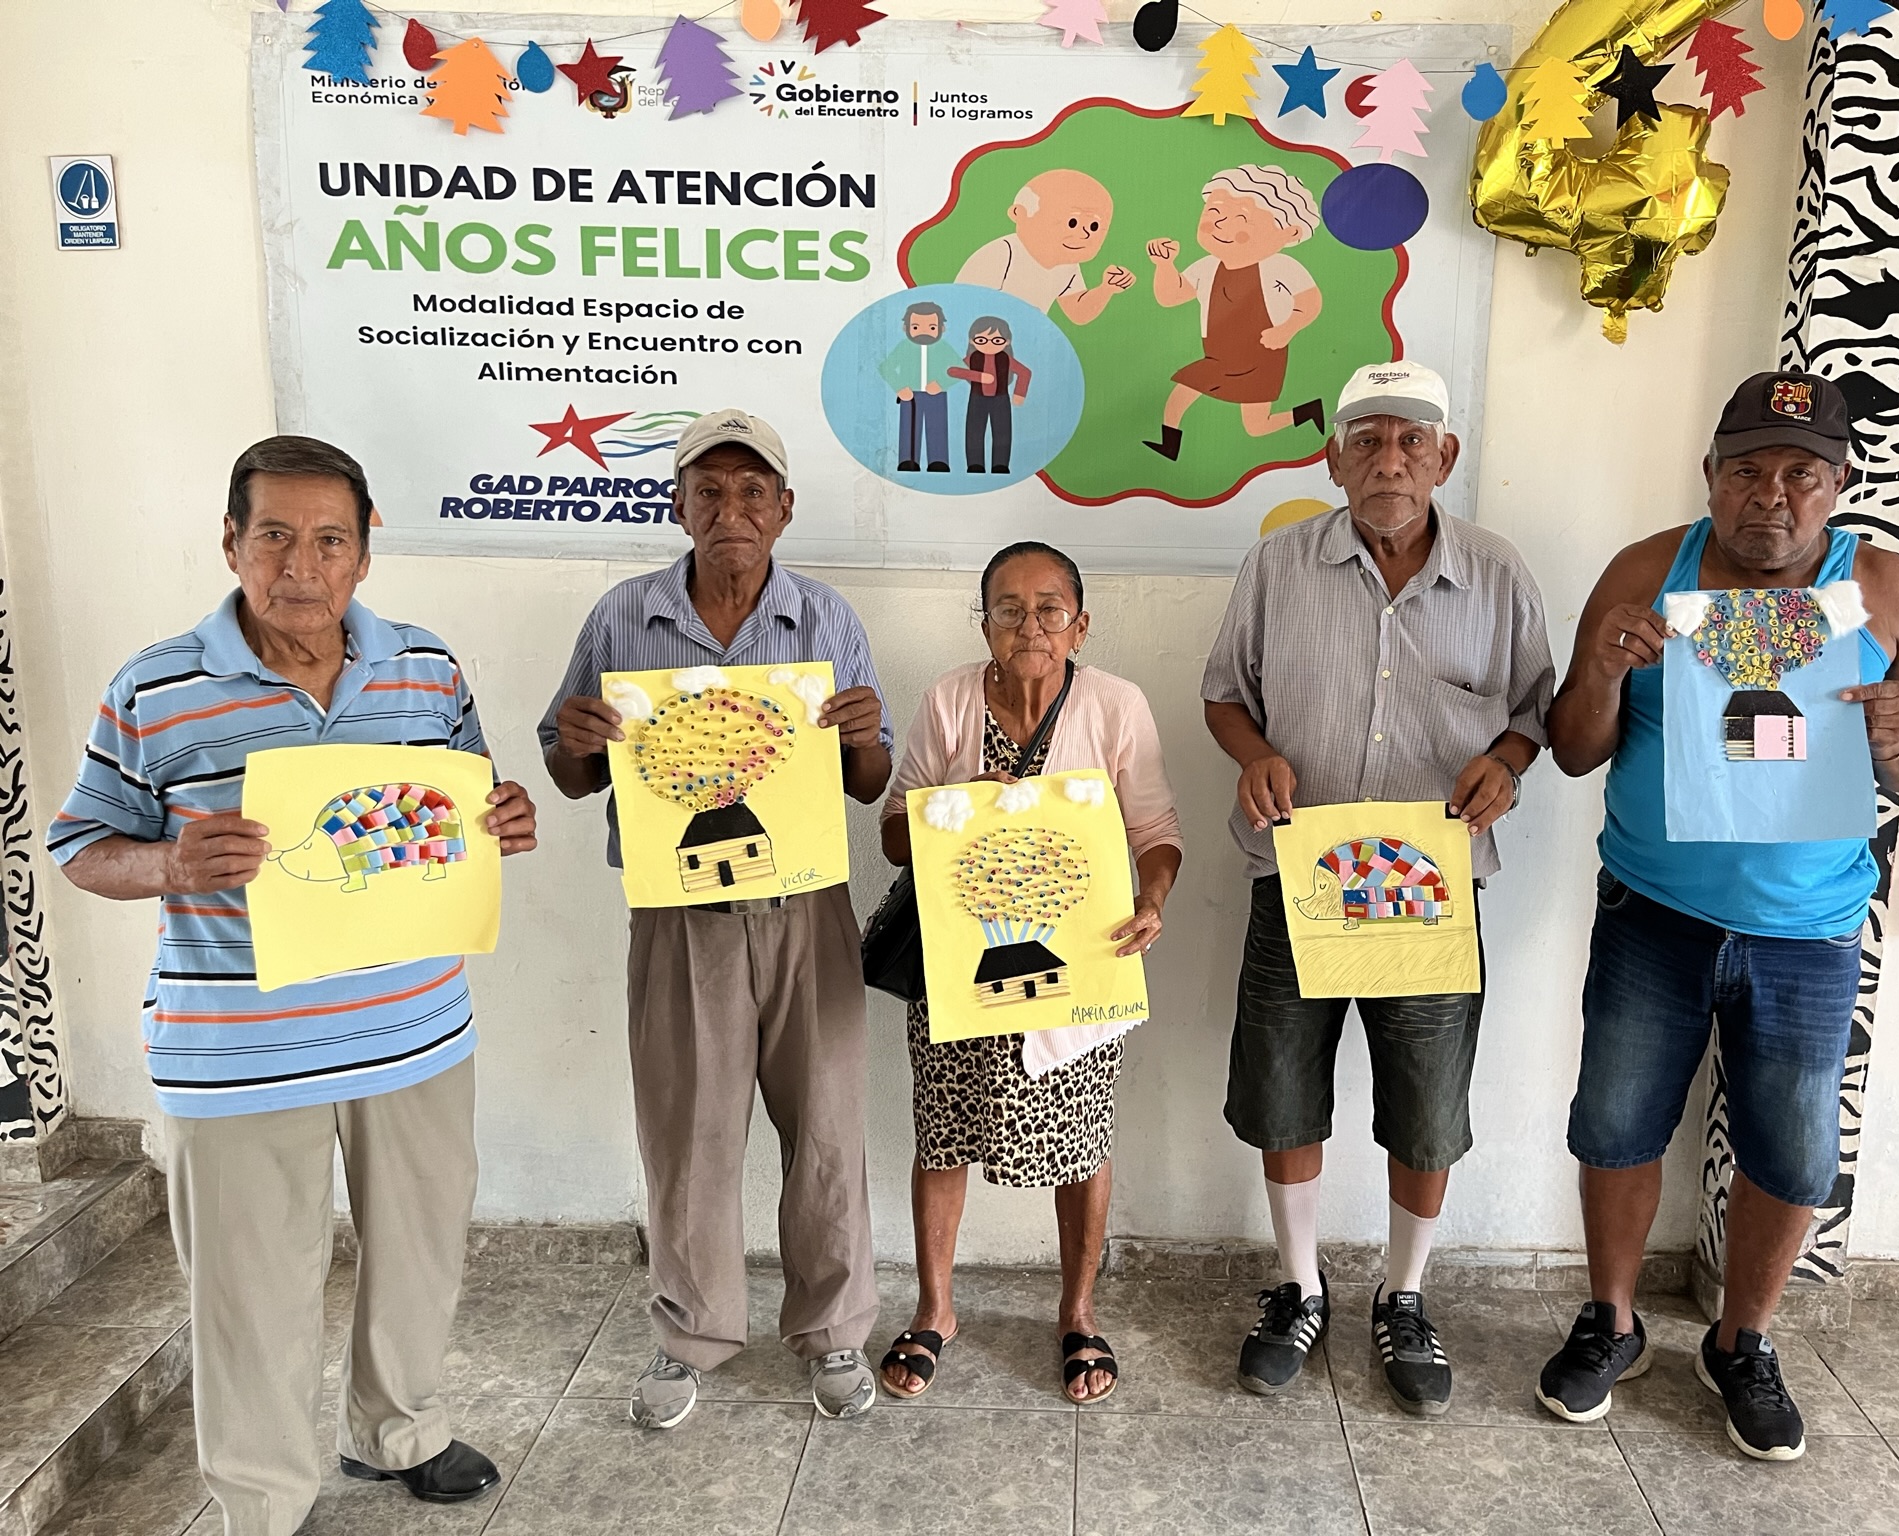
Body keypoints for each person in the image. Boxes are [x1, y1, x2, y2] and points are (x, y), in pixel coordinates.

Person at [47, 436, 538, 1535]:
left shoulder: (425, 666)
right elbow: (80, 846)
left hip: (415, 1033)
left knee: (419, 1258)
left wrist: (502, 818)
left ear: (365, 552)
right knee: (251, 1294)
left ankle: (399, 1432)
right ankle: (263, 1503)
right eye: (274, 536)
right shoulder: (156, 686)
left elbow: (467, 798)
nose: (301, 567)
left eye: (329, 541)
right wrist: (170, 865)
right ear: (232, 542)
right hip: (241, 1051)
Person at [1538, 370, 1899, 1460]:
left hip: (1808, 930)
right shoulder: (1647, 571)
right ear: (1710, 475)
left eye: (1799, 474)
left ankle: (1743, 1341)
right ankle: (1612, 1321)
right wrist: (1602, 671)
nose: (1770, 494)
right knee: (1615, 1124)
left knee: (1791, 1150)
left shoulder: (1881, 588)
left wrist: (1897, 739)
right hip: (1652, 910)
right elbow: (1573, 747)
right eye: (1746, 469)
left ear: (1839, 484)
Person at [1201, 360, 1554, 1411]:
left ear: (1445, 457)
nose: (1388, 461)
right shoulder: (1277, 565)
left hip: (1427, 890)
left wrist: (1507, 763)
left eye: (1410, 441)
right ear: (1333, 458)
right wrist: (1253, 755)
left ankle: (1403, 1293)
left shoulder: (1496, 574)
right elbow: (1223, 695)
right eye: (1366, 441)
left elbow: (1532, 710)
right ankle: (1298, 1285)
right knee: (1282, 1089)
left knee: (1427, 1102)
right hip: (1299, 875)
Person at [539, 408, 893, 1429]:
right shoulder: (624, 616)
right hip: (680, 913)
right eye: (708, 490)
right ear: (678, 505)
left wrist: (865, 735)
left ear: (784, 508)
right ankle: (689, 1334)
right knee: (687, 1132)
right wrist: (574, 742)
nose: (730, 509)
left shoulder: (824, 618)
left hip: (805, 907)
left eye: (751, 491)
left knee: (826, 1127)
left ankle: (834, 1331)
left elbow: (868, 784)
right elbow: (570, 775)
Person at [877, 541, 1181, 1404]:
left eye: (1050, 609)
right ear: (985, 625)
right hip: (959, 968)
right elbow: (894, 836)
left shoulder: (1116, 705)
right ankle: (936, 1309)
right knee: (943, 1132)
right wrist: (955, 808)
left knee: (1083, 1142)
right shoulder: (949, 700)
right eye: (1008, 609)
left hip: (1081, 969)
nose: (1029, 625)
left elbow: (1156, 832)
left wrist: (1152, 899)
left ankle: (1078, 1313)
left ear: (1080, 626)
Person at [1142, 165, 1328, 462]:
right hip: (1218, 355)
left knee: (1256, 427)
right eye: (1214, 212)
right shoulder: (1207, 266)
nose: (1219, 224)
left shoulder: (1281, 267)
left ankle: (1305, 413)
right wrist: (1165, 265)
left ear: (1289, 232)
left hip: (1262, 356)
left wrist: (1287, 329)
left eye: (1240, 218)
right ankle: (1169, 444)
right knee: (1183, 390)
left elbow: (1310, 302)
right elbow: (1170, 296)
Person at [955, 169, 1135, 323]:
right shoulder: (1002, 254)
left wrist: (1106, 289)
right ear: (1019, 213)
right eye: (1072, 222)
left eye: (1093, 226)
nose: (1084, 234)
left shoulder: (1067, 265)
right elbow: (964, 305)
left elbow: (1077, 312)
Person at [879, 300, 961, 474]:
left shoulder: (943, 348)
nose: (924, 332)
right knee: (909, 427)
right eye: (916, 327)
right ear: (905, 328)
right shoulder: (904, 347)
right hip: (910, 395)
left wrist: (941, 383)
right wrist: (900, 387)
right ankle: (908, 460)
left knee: (937, 427)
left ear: (942, 328)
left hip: (937, 395)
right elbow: (886, 367)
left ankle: (938, 460)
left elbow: (959, 370)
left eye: (931, 327)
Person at [947, 314, 1033, 475]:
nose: (989, 345)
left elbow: (1025, 373)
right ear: (972, 341)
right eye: (981, 340)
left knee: (1002, 432)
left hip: (1001, 399)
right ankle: (975, 464)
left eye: (996, 340)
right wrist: (979, 377)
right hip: (977, 399)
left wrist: (1019, 393)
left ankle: (1000, 464)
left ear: (1007, 341)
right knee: (974, 432)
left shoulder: (1006, 358)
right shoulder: (973, 357)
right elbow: (953, 371)